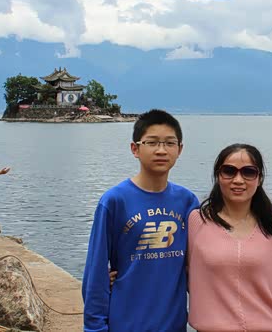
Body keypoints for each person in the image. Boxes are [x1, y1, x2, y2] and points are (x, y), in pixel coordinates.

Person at [82, 109, 199, 332]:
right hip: (125, 323)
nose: (161, 150)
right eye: (152, 142)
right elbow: (95, 272)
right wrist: (95, 327)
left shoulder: (187, 202)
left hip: (173, 325)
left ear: (180, 149)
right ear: (135, 149)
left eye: (170, 143)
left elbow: (199, 264)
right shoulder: (115, 201)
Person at [188, 143, 272, 332]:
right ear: (218, 176)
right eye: (229, 171)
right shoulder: (197, 221)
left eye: (248, 172)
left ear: (259, 178)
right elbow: (184, 269)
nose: (238, 180)